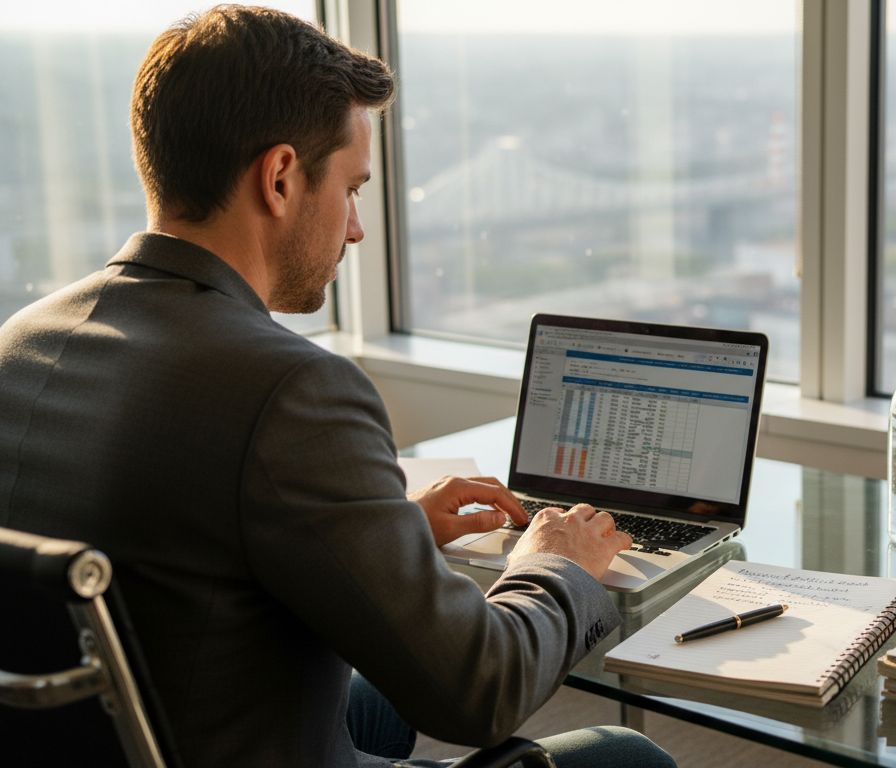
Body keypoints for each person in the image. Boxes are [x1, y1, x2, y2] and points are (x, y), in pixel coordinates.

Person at [0, 5, 675, 767]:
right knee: (625, 756)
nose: (356, 227)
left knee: (375, 696)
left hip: (142, 734)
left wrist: (393, 531)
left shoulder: (21, 341)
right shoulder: (293, 389)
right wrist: (555, 564)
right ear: (282, 177)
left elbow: (179, 551)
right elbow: (477, 692)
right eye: (352, 189)